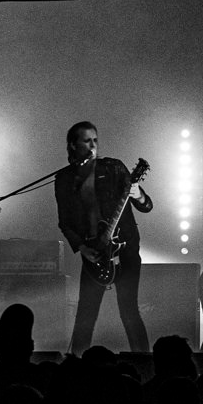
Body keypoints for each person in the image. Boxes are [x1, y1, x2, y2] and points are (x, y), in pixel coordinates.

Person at [54, 119, 153, 353]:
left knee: (129, 310)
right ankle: (77, 364)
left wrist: (138, 194)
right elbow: (64, 222)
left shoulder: (114, 168)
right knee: (85, 314)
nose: (93, 145)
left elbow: (147, 206)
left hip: (125, 249)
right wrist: (82, 248)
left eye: (95, 140)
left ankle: (144, 362)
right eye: (86, 141)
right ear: (73, 145)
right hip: (94, 252)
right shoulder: (65, 178)